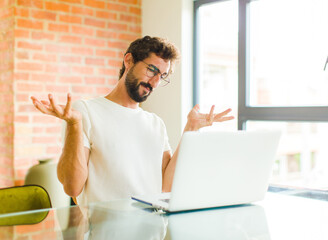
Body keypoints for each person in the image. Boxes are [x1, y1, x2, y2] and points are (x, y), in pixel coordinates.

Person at [31, 36, 234, 205]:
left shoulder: (155, 123)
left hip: (151, 231)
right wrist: (74, 125)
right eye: (152, 70)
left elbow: (165, 187)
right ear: (129, 61)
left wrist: (191, 128)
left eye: (162, 76)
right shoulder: (85, 111)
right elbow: (72, 187)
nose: (154, 82)